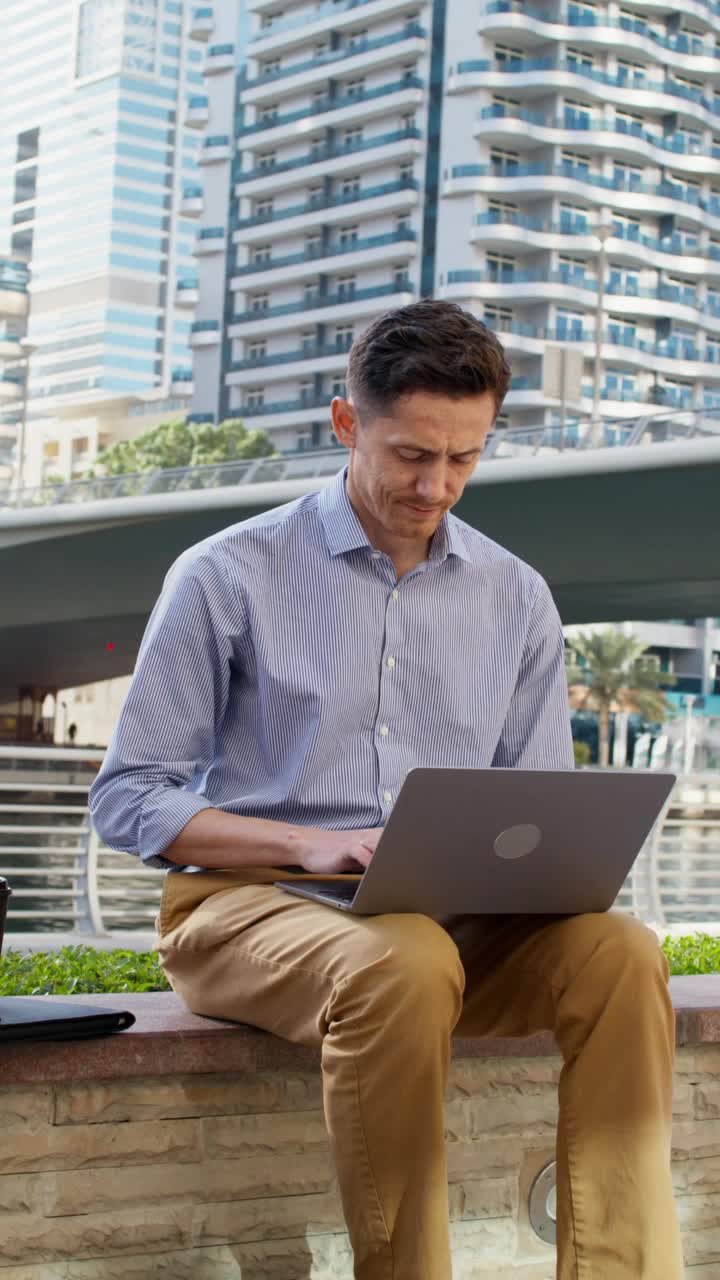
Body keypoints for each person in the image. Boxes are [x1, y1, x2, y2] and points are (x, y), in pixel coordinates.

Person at [89, 300, 683, 1279]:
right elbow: (130, 794)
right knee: (401, 956)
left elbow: (533, 796)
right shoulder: (226, 574)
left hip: (444, 931)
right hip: (246, 912)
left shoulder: (517, 594)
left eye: (465, 457)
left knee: (619, 953)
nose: (436, 483)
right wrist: (315, 846)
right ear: (344, 422)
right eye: (411, 454)